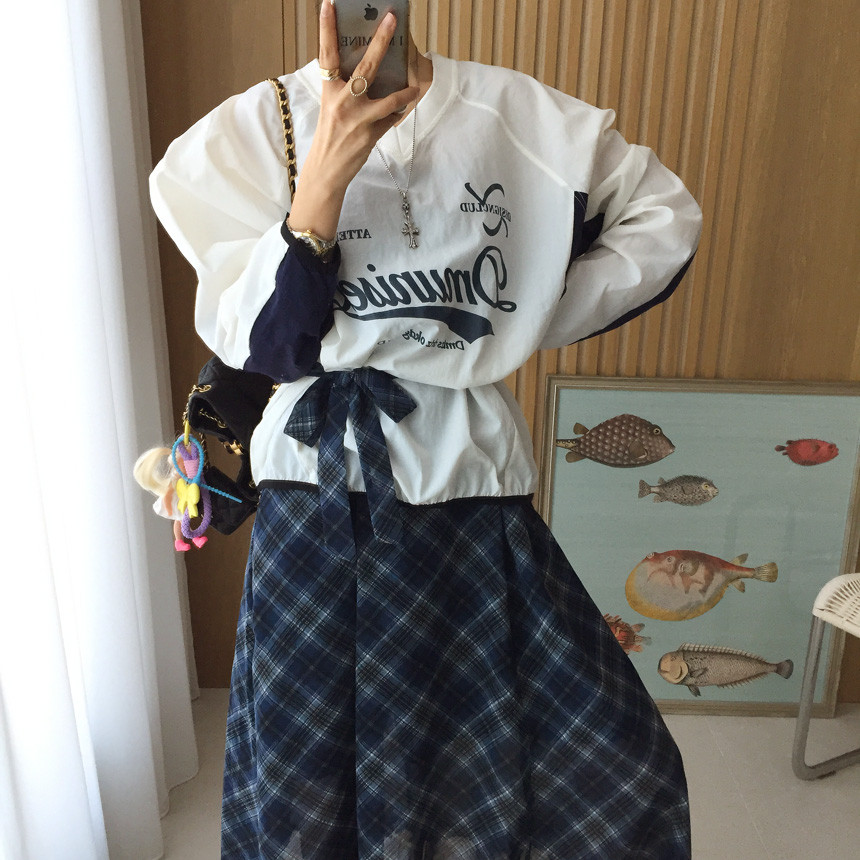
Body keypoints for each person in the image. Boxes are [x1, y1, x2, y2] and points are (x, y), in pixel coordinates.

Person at [150, 2, 702, 857]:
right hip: (312, 501)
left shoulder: (521, 118)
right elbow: (269, 344)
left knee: (600, 770)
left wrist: (521, 316)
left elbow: (662, 221)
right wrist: (320, 182)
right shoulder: (248, 133)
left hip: (469, 486)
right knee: (307, 792)